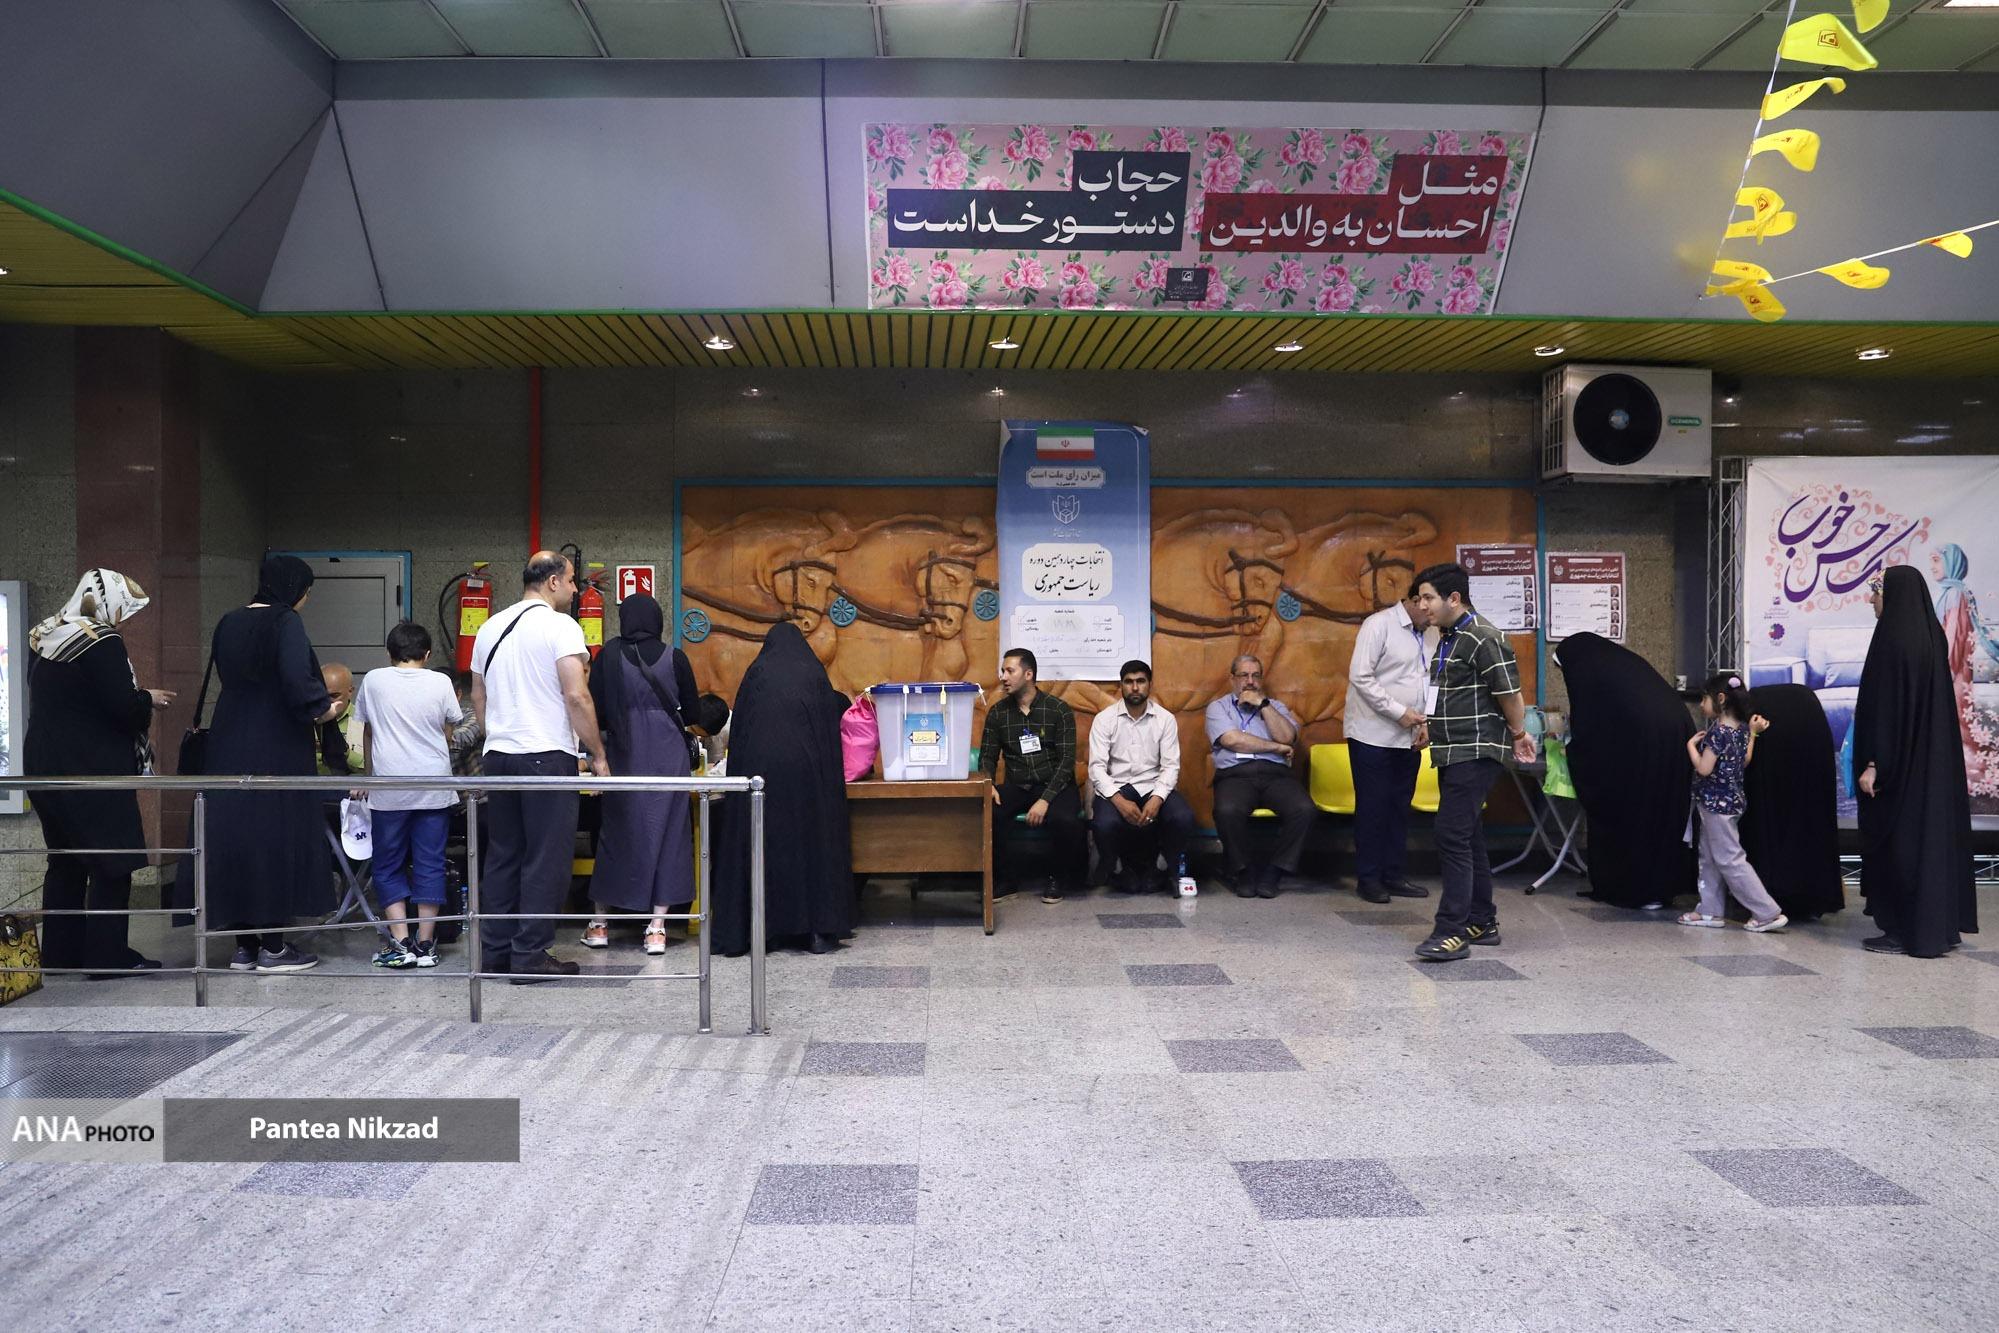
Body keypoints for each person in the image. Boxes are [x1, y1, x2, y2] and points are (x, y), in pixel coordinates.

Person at [23, 569, 174, 978]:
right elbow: (121, 707)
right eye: (125, 609)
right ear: (109, 603)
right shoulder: (101, 641)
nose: (124, 620)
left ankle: (61, 955)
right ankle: (108, 957)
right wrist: (147, 699)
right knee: (113, 861)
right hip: (91, 768)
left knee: (65, 862)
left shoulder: (46, 635)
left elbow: (68, 700)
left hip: (43, 765)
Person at [470, 551, 610, 983]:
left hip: (498, 756)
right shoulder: (561, 626)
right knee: (546, 858)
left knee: (503, 855)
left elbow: (478, 696)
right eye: (570, 581)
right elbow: (576, 695)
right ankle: (529, 954)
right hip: (546, 755)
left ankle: (495, 953)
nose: (574, 589)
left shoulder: (489, 627)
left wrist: (498, 735)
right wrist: (597, 755)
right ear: (552, 581)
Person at [203, 554, 340, 973]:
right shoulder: (285, 622)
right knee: (276, 837)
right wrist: (324, 710)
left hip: (227, 740)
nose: (305, 600)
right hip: (275, 743)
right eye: (307, 592)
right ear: (294, 587)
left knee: (238, 840)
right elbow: (297, 679)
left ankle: (244, 948)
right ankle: (275, 948)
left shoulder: (228, 621)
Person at [1411, 563, 1534, 961]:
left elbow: (1509, 693)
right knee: (1467, 836)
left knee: (1450, 834)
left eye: (1428, 598)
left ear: (1454, 598)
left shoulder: (1483, 636)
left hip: (1476, 751)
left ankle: (1452, 931)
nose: (1422, 606)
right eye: (1419, 599)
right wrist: (1431, 725)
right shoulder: (1448, 637)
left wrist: (1519, 734)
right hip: (1451, 750)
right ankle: (1481, 921)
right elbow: (1451, 692)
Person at [1852, 565, 1977, 957]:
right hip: (1929, 769)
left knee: (1900, 846)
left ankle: (1902, 930)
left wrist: (1876, 764)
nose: (1872, 600)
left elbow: (1889, 711)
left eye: (1877, 592)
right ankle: (1933, 927)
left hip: (1898, 771)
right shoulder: (1928, 637)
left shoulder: (1894, 642)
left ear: (1894, 595)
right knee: (1927, 845)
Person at [712, 622, 854, 955]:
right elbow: (829, 737)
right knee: (812, 846)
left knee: (762, 847)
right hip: (808, 780)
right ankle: (817, 931)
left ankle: (765, 931)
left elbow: (740, 736)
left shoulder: (756, 674)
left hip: (760, 779)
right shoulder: (814, 674)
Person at [582, 593, 700, 955]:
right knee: (669, 836)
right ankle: (657, 929)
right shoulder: (675, 657)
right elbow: (693, 711)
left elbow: (595, 708)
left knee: (616, 833)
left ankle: (600, 924)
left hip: (624, 753)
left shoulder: (609, 656)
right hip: (669, 757)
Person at [1553, 631, 1697, 912]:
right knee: (1660, 809)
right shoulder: (1626, 666)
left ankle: (1636, 889)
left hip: (1644, 742)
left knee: (1631, 808)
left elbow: (1590, 734)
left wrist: (1574, 752)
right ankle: (1662, 888)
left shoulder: (1591, 677)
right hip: (1676, 734)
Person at [352, 622, 462, 969]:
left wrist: (368, 776)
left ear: (389, 653)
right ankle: (426, 944)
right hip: (434, 786)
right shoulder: (440, 682)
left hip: (390, 788)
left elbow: (366, 730)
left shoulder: (374, 680)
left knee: (388, 863)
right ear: (427, 654)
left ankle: (401, 943)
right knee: (431, 862)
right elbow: (450, 727)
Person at [1679, 673, 1787, 933]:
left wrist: (1690, 746)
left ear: (1720, 699)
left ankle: (1767, 912)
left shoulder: (1717, 733)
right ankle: (1709, 909)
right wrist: (1753, 734)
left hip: (1715, 806)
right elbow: (1746, 760)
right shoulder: (1741, 730)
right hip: (1731, 803)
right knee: (1710, 857)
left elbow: (1704, 769)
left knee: (1729, 859)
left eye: (1704, 699)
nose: (1701, 704)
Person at [1344, 587, 1432, 903]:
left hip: (1410, 737)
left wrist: (1427, 722)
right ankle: (1369, 879)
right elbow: (1361, 676)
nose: (1432, 615)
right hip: (1372, 735)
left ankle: (1394, 875)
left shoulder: (1431, 632)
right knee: (1373, 809)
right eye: (1429, 606)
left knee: (1399, 809)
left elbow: (1432, 679)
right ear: (1417, 600)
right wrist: (1399, 712)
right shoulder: (1378, 625)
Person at [979, 647, 1085, 903]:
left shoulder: (1058, 709)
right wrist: (988, 784)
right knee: (988, 812)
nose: (1003, 677)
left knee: (1064, 819)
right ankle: (1006, 880)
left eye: (1009, 671)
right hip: (1018, 785)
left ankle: (1057, 878)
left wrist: (1045, 800)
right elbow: (987, 756)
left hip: (1056, 785)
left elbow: (1066, 762)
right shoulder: (998, 712)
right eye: (1003, 671)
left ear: (1028, 674)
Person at [1204, 654, 1314, 899]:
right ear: (1232, 679)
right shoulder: (1218, 708)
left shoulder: (1277, 707)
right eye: (1244, 675)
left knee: (1304, 809)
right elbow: (1232, 740)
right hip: (1235, 775)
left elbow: (1287, 737)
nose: (1250, 681)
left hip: (1276, 775)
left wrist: (1264, 706)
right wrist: (1276, 747)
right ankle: (1243, 872)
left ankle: (1274, 872)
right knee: (1226, 811)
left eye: (1255, 676)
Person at [1738, 683, 1844, 921]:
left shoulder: (1767, 757)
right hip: (1809, 785)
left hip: (1774, 795)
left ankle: (1769, 898)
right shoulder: (1811, 731)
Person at [1087, 659, 1193, 894]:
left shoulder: (1165, 719)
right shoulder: (1104, 719)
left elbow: (1170, 766)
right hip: (1117, 787)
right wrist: (1119, 801)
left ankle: (1165, 867)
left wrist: (1157, 798)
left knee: (1183, 817)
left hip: (1153, 786)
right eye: (1129, 682)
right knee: (1104, 823)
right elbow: (1096, 768)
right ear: (1121, 686)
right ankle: (1114, 867)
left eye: (1140, 681)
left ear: (1149, 685)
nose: (1135, 687)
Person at [316, 663, 363, 777]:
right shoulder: (305, 722)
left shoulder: (365, 722)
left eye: (334, 695)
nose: (328, 701)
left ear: (350, 691)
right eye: (322, 696)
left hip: (353, 786)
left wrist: (345, 753)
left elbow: (376, 767)